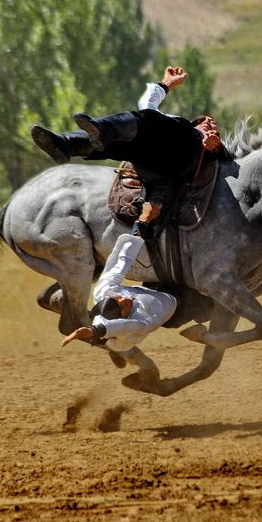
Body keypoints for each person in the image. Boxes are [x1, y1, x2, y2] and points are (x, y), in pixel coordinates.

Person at [31, 66, 222, 238]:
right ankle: (65, 144)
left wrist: (211, 145)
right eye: (206, 122)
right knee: (121, 142)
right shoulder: (165, 124)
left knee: (146, 120)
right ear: (195, 122)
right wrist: (166, 84)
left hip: (185, 156)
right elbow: (147, 103)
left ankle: (101, 130)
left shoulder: (194, 135)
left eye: (213, 124)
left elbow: (226, 157)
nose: (210, 124)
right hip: (152, 165)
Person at [60, 233, 177, 367]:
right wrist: (94, 331)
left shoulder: (104, 292)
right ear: (122, 317)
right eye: (122, 306)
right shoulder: (137, 326)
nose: (124, 299)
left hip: (150, 289)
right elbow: (122, 326)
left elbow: (119, 264)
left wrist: (137, 231)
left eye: (118, 298)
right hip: (176, 300)